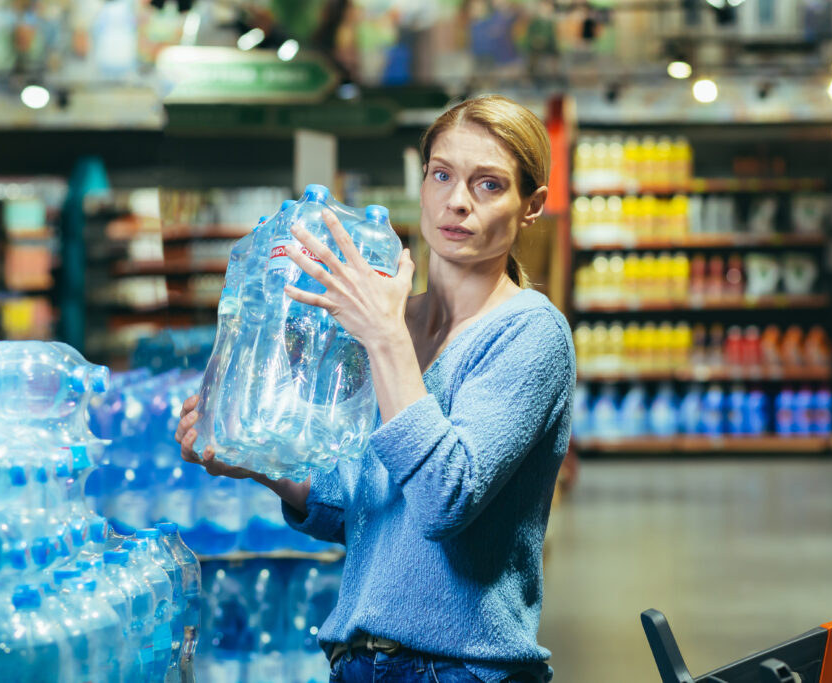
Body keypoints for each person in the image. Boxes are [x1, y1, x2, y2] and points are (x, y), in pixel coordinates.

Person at [175, 94, 575, 683]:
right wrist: (254, 460)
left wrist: (384, 337)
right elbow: (362, 505)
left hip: (460, 669)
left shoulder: (530, 334)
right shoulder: (391, 320)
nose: (457, 201)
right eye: (442, 175)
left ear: (531, 205)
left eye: (488, 185)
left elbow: (446, 499)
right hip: (358, 661)